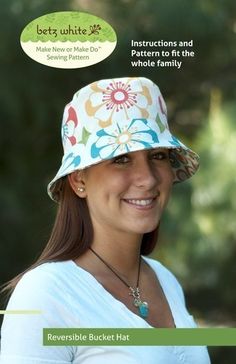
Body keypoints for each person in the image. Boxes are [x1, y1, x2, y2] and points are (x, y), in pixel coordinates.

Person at [0, 77, 211, 363]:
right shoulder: (45, 294)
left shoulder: (165, 280)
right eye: (121, 158)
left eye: (158, 155)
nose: (147, 178)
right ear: (78, 180)